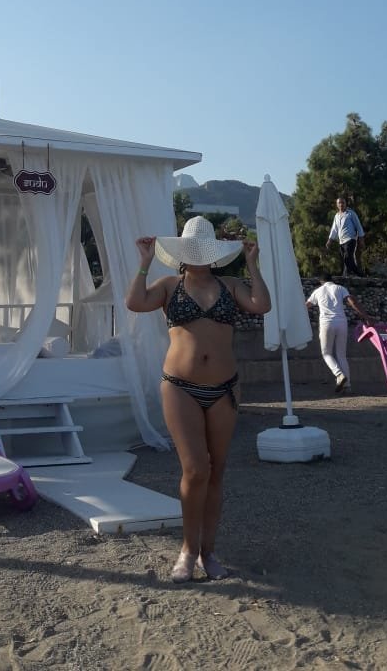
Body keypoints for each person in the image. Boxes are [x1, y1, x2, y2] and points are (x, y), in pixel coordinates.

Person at [126, 215, 271, 584]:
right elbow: (135, 302)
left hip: (224, 389)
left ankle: (208, 552)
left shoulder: (231, 285)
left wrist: (252, 264)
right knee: (195, 469)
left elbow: (261, 304)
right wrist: (144, 263)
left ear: (213, 253)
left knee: (216, 471)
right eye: (191, 249)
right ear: (182, 252)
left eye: (204, 249)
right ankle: (188, 550)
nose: (198, 255)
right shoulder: (168, 285)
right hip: (180, 387)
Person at [306, 275, 372, 394]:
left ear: (321, 281)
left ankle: (339, 375)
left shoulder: (318, 291)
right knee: (341, 355)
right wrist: (365, 316)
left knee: (326, 353)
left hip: (326, 323)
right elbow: (352, 301)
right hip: (342, 323)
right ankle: (347, 386)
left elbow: (307, 305)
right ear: (332, 280)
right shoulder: (340, 288)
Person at [326, 196, 365, 276]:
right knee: (346, 260)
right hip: (341, 241)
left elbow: (358, 226)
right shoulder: (336, 216)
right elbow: (334, 229)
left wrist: (361, 239)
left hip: (350, 239)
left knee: (347, 257)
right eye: (339, 203)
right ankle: (359, 274)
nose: (341, 204)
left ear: (345, 204)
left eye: (343, 203)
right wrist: (330, 240)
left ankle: (346, 275)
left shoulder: (351, 213)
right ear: (337, 205)